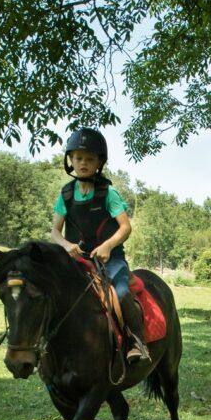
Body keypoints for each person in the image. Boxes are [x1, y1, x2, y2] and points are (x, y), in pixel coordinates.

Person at [49, 127, 149, 363]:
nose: (83, 163)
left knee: (122, 292)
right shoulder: (65, 195)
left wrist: (107, 246)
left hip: (110, 261)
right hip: (77, 261)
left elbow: (125, 227)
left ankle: (138, 342)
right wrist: (65, 244)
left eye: (89, 159)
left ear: (99, 163)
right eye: (78, 158)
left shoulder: (108, 192)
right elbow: (55, 230)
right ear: (70, 160)